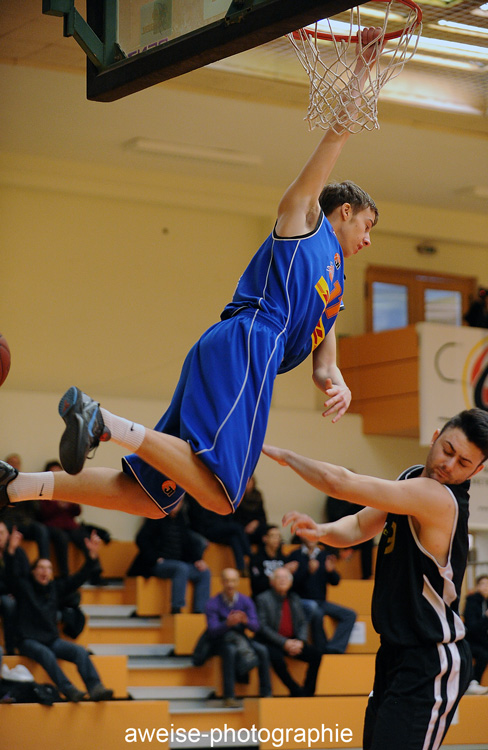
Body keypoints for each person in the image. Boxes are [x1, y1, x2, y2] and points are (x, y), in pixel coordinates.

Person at [0, 28, 381, 521]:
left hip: (238, 350)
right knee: (223, 496)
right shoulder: (305, 222)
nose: (368, 239)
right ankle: (104, 422)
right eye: (367, 225)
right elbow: (338, 136)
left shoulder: (336, 291)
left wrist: (340, 385)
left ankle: (15, 486)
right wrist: (364, 69)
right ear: (345, 211)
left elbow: (324, 367)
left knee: (154, 498)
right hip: (250, 341)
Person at [263, 408, 488, 749]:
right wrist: (322, 531)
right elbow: (360, 525)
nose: (449, 465)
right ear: (435, 438)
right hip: (394, 653)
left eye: (463, 463)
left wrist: (287, 457)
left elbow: (341, 484)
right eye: (448, 450)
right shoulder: (411, 479)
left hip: (429, 658)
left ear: (476, 471)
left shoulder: (439, 499)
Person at [4, 526, 114, 702]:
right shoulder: (24, 587)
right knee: (46, 654)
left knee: (80, 652)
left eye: (49, 568)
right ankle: (68, 689)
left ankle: (95, 688)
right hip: (28, 640)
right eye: (41, 567)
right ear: (33, 571)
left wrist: (92, 557)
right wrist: (10, 551)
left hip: (51, 639)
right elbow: (10, 576)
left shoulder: (55, 588)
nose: (45, 571)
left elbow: (78, 579)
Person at [199, 568, 272, 707]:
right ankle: (229, 696)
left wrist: (245, 621)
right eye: (227, 581)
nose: (230, 584)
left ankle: (266, 693)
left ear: (238, 582)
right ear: (222, 582)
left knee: (262, 650)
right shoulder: (212, 603)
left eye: (233, 581)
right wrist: (227, 623)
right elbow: (212, 631)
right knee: (230, 650)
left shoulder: (246, 601)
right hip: (220, 640)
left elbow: (256, 627)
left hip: (240, 638)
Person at [127, 499, 211, 614]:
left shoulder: (182, 520)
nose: (176, 505)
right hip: (159, 564)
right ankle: (176, 608)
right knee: (181, 568)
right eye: (174, 501)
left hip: (179, 563)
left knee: (204, 572)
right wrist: (155, 558)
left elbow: (189, 543)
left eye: (179, 502)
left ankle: (200, 611)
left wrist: (197, 560)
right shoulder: (156, 518)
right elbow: (141, 539)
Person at [38, 460, 110, 584]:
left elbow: (77, 512)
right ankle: (65, 575)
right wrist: (58, 505)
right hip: (53, 525)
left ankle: (96, 572)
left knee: (85, 538)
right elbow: (42, 514)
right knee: (62, 538)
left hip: (70, 525)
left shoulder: (67, 488)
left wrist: (72, 503)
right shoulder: (43, 489)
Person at [255, 566, 322, 697]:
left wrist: (301, 641)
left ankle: (308, 691)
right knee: (276, 657)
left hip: (293, 640)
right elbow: (263, 627)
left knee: (316, 654)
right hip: (271, 641)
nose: (282, 580)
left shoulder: (294, 598)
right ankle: (295, 690)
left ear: (291, 582)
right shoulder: (262, 599)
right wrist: (284, 643)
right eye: (279, 577)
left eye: (285, 577)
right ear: (271, 582)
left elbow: (302, 622)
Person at [287, 538, 357, 654]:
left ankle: (335, 648)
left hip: (321, 601)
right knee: (317, 612)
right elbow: (291, 584)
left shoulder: (324, 555)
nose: (311, 539)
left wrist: (331, 571)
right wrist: (308, 571)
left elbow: (335, 582)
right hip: (301, 601)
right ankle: (321, 648)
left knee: (350, 614)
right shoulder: (295, 555)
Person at [1, 454, 51, 561]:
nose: (14, 466)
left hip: (25, 523)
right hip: (7, 522)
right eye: (11, 463)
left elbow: (36, 508)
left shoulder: (26, 483)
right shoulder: (1, 483)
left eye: (16, 463)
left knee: (40, 529)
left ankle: (44, 561)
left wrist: (30, 491)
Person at [186, 496, 251, 576]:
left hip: (220, 529)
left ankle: (241, 567)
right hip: (207, 529)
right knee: (238, 528)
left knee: (233, 538)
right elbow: (200, 519)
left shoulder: (220, 497)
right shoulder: (200, 497)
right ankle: (250, 555)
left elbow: (227, 516)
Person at [463, 574, 488, 695]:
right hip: (470, 641)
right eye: (482, 584)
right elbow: (471, 628)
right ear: (477, 587)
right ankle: (473, 683)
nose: (486, 586)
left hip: (484, 642)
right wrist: (486, 618)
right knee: (484, 654)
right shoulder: (471, 602)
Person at [326, 494, 374, 579]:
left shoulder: (358, 497)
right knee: (328, 539)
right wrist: (348, 503)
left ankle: (367, 576)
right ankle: (332, 574)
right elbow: (333, 517)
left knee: (368, 540)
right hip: (338, 531)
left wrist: (352, 548)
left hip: (355, 535)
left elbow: (364, 521)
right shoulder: (333, 497)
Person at [0, 519, 30, 654]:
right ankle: (10, 648)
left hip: (15, 593)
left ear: (8, 534)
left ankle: (26, 642)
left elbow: (24, 578)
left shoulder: (19, 553)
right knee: (9, 603)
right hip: (4, 596)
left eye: (1, 533)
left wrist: (10, 553)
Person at [249, 525, 288, 599]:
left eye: (278, 536)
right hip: (262, 596)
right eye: (273, 536)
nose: (276, 539)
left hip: (280, 596)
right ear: (265, 538)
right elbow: (256, 583)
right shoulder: (256, 559)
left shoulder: (284, 559)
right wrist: (275, 579)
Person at [233, 475, 268, 546]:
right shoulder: (237, 496)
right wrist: (246, 527)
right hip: (241, 526)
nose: (247, 483)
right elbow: (234, 516)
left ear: (253, 482)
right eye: (245, 481)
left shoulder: (257, 496)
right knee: (236, 533)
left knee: (266, 532)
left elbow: (262, 516)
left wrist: (256, 523)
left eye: (249, 481)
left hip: (255, 527)